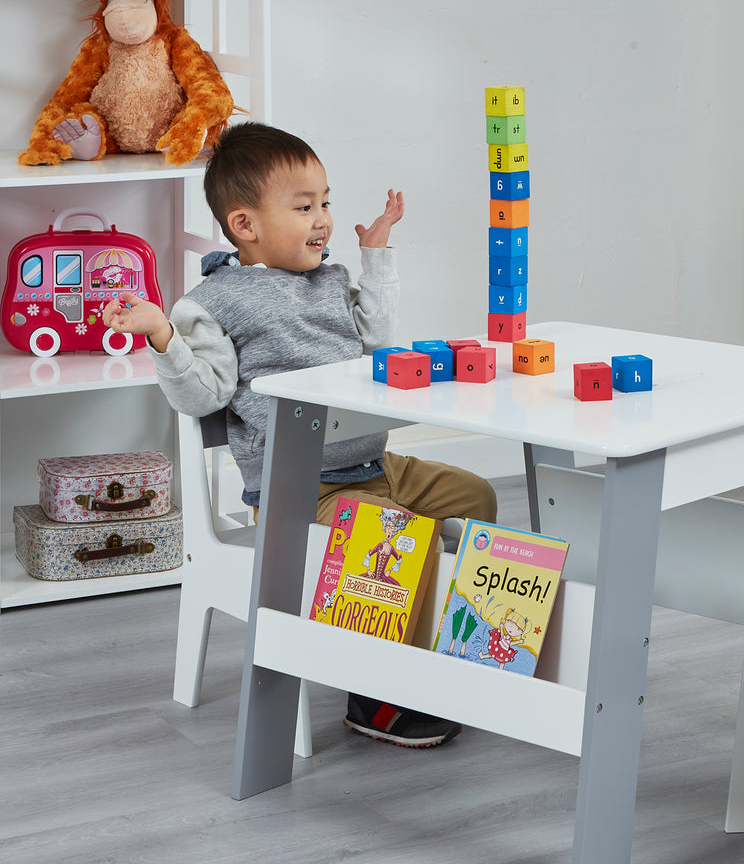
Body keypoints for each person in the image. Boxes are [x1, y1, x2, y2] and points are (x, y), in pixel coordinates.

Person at [102, 121, 497, 748]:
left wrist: (378, 256)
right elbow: (201, 394)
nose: (323, 220)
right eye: (304, 206)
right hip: (298, 489)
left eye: (326, 202)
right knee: (395, 537)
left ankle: (461, 656)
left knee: (477, 500)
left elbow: (378, 342)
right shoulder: (213, 304)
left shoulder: (329, 281)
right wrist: (163, 338)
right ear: (245, 225)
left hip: (372, 466)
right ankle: (377, 699)